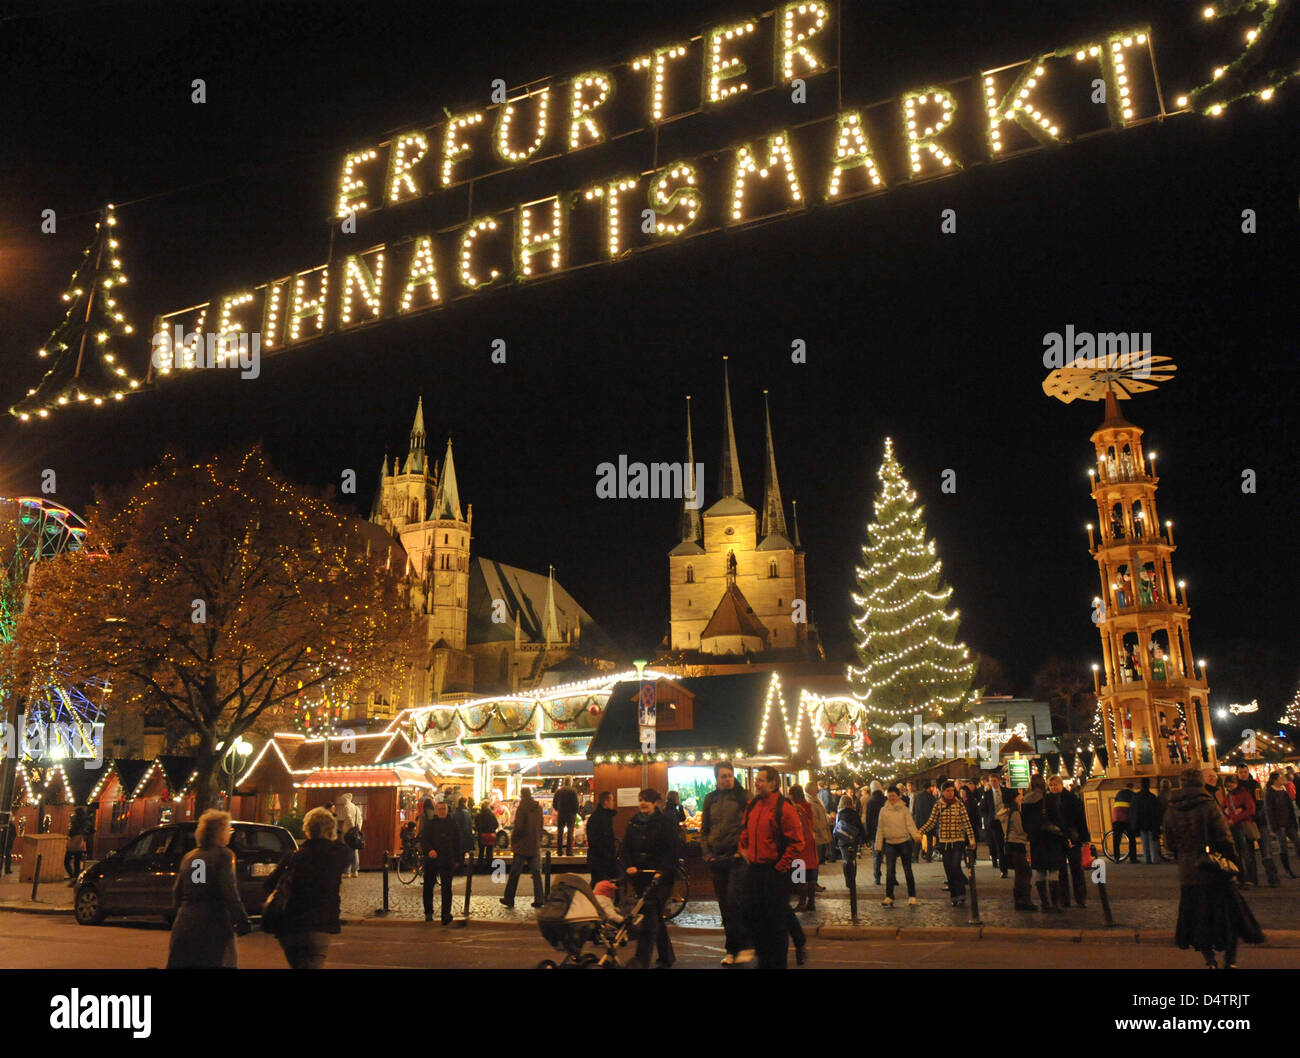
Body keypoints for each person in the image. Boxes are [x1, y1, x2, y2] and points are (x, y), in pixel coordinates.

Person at [1165, 766, 1264, 968]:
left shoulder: (1171, 810)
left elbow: (1169, 844)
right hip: (1214, 870)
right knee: (1229, 916)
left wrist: (1184, 855)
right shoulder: (1208, 805)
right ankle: (1231, 960)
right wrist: (1233, 862)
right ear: (1200, 783)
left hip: (1188, 872)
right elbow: (1224, 837)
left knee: (1198, 920)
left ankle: (1209, 960)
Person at [263, 805, 351, 968]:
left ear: (307, 830)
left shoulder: (294, 857)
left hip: (289, 927)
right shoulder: (336, 855)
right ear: (331, 830)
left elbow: (269, 884)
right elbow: (346, 852)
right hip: (319, 924)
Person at [739, 765, 806, 968]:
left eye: (760, 780)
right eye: (756, 780)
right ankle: (765, 957)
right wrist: (743, 847)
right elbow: (745, 831)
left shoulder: (784, 808)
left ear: (773, 783)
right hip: (755, 869)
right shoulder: (752, 805)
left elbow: (797, 842)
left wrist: (781, 866)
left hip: (775, 870)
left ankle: (777, 962)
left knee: (776, 921)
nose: (756, 784)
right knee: (753, 915)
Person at [166, 810, 251, 969]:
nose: (230, 834)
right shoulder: (223, 855)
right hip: (214, 921)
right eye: (228, 829)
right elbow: (229, 890)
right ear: (219, 832)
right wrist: (241, 919)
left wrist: (180, 912)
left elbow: (176, 891)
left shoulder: (190, 856)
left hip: (185, 920)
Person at [700, 761, 753, 965]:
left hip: (737, 858)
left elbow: (750, 825)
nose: (728, 779)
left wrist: (743, 849)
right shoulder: (710, 799)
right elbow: (705, 830)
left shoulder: (742, 797)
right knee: (724, 906)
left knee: (734, 901)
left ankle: (746, 943)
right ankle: (732, 949)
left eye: (730, 775)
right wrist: (707, 854)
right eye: (723, 776)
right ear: (716, 779)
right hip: (717, 858)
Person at [619, 788, 677, 968]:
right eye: (641, 799)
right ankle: (667, 956)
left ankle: (641, 961)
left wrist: (662, 870)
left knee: (650, 915)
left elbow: (672, 850)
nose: (643, 803)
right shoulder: (633, 823)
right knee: (656, 915)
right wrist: (628, 865)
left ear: (655, 803)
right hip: (640, 876)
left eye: (647, 800)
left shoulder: (664, 823)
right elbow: (625, 848)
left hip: (660, 877)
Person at [918, 780, 976, 906]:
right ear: (943, 792)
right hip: (944, 841)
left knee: (955, 865)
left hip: (958, 840)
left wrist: (971, 839)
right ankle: (954, 895)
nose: (950, 793)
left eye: (952, 791)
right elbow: (931, 822)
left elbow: (967, 823)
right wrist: (920, 832)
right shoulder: (938, 805)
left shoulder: (959, 804)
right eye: (947, 791)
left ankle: (961, 894)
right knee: (948, 869)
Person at [1021, 774, 1066, 912]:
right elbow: (1057, 818)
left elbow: (1024, 824)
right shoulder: (1048, 799)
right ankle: (1056, 903)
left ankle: (1045, 903)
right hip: (1050, 839)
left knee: (1039, 871)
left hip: (1036, 841)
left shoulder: (1025, 800)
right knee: (1053, 871)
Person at [875, 785, 921, 907]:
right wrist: (878, 845)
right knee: (890, 871)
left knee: (907, 870)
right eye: (889, 796)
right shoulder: (883, 811)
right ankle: (889, 896)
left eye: (894, 796)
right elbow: (880, 828)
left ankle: (912, 896)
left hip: (904, 842)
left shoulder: (904, 809)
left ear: (898, 796)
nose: (892, 798)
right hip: (890, 843)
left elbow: (910, 824)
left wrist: (916, 835)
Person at [418, 797, 463, 924]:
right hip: (432, 860)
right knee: (428, 886)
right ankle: (428, 912)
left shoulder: (453, 824)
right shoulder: (430, 824)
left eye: (444, 809)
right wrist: (429, 850)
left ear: (447, 810)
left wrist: (458, 859)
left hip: (447, 860)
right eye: (439, 809)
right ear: (436, 811)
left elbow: (458, 842)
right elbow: (424, 840)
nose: (442, 811)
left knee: (447, 888)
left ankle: (446, 914)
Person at [500, 787, 544, 908]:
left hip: (522, 845)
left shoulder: (522, 807)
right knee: (536, 873)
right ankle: (539, 898)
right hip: (534, 844)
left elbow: (518, 827)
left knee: (515, 873)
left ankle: (509, 898)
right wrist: (538, 839)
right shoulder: (538, 808)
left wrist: (513, 841)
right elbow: (541, 825)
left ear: (522, 795)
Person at [1051, 775, 1089, 907]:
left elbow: (1080, 818)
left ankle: (1080, 898)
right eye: (1051, 785)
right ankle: (1064, 899)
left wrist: (1084, 838)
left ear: (1061, 785)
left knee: (1076, 869)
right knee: (1061, 871)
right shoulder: (1049, 800)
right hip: (1058, 839)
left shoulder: (1071, 798)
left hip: (1073, 837)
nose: (1054, 787)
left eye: (1056, 784)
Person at [1000, 789, 1035, 910]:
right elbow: (1020, 830)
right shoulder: (1015, 813)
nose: (1021, 798)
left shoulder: (1004, 812)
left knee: (1019, 874)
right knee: (1025, 873)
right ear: (1014, 799)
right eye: (1019, 797)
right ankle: (1024, 900)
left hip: (1010, 844)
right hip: (1018, 844)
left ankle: (1019, 899)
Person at [1222, 775, 1259, 888]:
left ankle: (1251, 879)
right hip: (1234, 827)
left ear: (1236, 784)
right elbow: (1222, 808)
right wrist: (1225, 811)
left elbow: (1251, 810)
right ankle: (1241, 878)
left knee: (1247, 853)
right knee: (1238, 854)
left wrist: (1234, 818)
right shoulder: (1228, 796)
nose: (1229, 788)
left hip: (1243, 826)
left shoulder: (1244, 794)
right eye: (1227, 786)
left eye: (1231, 785)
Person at [789, 786, 820, 912]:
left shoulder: (795, 808)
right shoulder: (807, 806)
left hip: (799, 844)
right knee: (810, 874)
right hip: (809, 842)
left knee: (799, 876)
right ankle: (811, 902)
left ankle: (802, 902)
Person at [1265, 771, 1300, 877]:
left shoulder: (1283, 791)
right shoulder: (1270, 792)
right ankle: (1287, 870)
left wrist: (1294, 822)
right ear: (1275, 780)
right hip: (1279, 824)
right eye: (1281, 778)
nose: (1283, 779)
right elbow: (1269, 810)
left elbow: (1290, 807)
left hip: (1289, 823)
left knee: (1297, 842)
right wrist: (1273, 826)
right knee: (1283, 847)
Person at [833, 794, 866, 894]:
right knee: (852, 859)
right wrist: (863, 840)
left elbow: (836, 829)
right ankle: (853, 880)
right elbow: (860, 828)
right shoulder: (855, 813)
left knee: (845, 860)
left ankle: (848, 880)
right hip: (853, 840)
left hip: (842, 841)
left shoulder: (839, 814)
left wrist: (836, 842)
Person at [586, 791, 619, 886]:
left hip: (599, 859)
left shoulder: (599, 817)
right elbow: (598, 841)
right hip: (601, 860)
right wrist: (609, 855)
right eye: (612, 800)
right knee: (601, 886)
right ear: (606, 802)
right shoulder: (601, 818)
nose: (614, 802)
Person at [804, 781, 832, 884]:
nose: (817, 789)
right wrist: (824, 825)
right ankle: (812, 883)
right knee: (814, 861)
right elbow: (814, 822)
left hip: (819, 835)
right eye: (815, 787)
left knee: (816, 861)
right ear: (811, 790)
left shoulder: (815, 800)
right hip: (816, 836)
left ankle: (813, 883)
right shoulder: (811, 802)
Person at [1133, 777, 1162, 865]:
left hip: (1141, 822)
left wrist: (1135, 824)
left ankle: (1147, 859)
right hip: (1151, 822)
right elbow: (1157, 811)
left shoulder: (1136, 797)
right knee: (1152, 841)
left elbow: (1134, 811)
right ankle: (1154, 859)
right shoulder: (1152, 797)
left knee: (1144, 842)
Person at [863, 781, 886, 885]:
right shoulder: (886, 800)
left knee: (877, 855)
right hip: (887, 830)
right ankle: (892, 876)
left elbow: (868, 820)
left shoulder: (871, 801)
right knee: (889, 855)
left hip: (876, 832)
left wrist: (868, 835)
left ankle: (877, 877)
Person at [335, 792, 363, 878]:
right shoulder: (356, 808)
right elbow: (360, 819)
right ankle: (355, 871)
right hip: (356, 831)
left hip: (348, 831)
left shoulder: (347, 807)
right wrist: (358, 829)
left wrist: (351, 828)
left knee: (347, 851)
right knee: (355, 851)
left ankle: (347, 871)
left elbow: (348, 817)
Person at [911, 781, 937, 862]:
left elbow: (914, 809)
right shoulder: (931, 797)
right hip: (928, 821)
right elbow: (934, 809)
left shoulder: (917, 796)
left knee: (918, 839)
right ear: (929, 788)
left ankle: (915, 857)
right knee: (929, 839)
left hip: (918, 821)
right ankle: (928, 857)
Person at [1111, 782, 1136, 863]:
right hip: (1126, 818)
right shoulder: (1132, 794)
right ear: (1132, 788)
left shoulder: (1119, 793)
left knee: (1116, 839)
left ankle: (1116, 858)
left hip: (1116, 817)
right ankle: (1133, 858)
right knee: (1132, 838)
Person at [65, 806, 92, 881]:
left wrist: (70, 833)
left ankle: (73, 876)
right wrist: (85, 836)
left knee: (67, 860)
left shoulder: (75, 822)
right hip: (80, 843)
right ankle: (75, 877)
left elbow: (72, 832)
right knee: (77, 861)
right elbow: (91, 830)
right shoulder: (86, 822)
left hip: (74, 842)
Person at [553, 781, 579, 856]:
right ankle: (569, 851)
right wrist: (575, 812)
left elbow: (554, 803)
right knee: (570, 833)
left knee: (560, 833)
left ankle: (559, 851)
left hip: (561, 814)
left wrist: (558, 809)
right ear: (570, 782)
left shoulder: (558, 791)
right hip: (570, 814)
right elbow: (576, 803)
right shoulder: (573, 791)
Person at [474, 800, 498, 870]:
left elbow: (476, 825)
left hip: (481, 835)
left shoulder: (478, 815)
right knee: (489, 852)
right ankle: (489, 867)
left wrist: (479, 831)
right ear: (488, 806)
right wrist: (492, 829)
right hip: (490, 835)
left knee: (481, 852)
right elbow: (496, 824)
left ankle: (480, 867)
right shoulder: (491, 814)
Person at [452, 797, 474, 872]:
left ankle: (457, 868)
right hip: (464, 836)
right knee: (462, 853)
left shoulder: (455, 812)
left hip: (456, 836)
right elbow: (467, 826)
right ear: (464, 802)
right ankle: (460, 869)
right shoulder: (466, 812)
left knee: (457, 852)